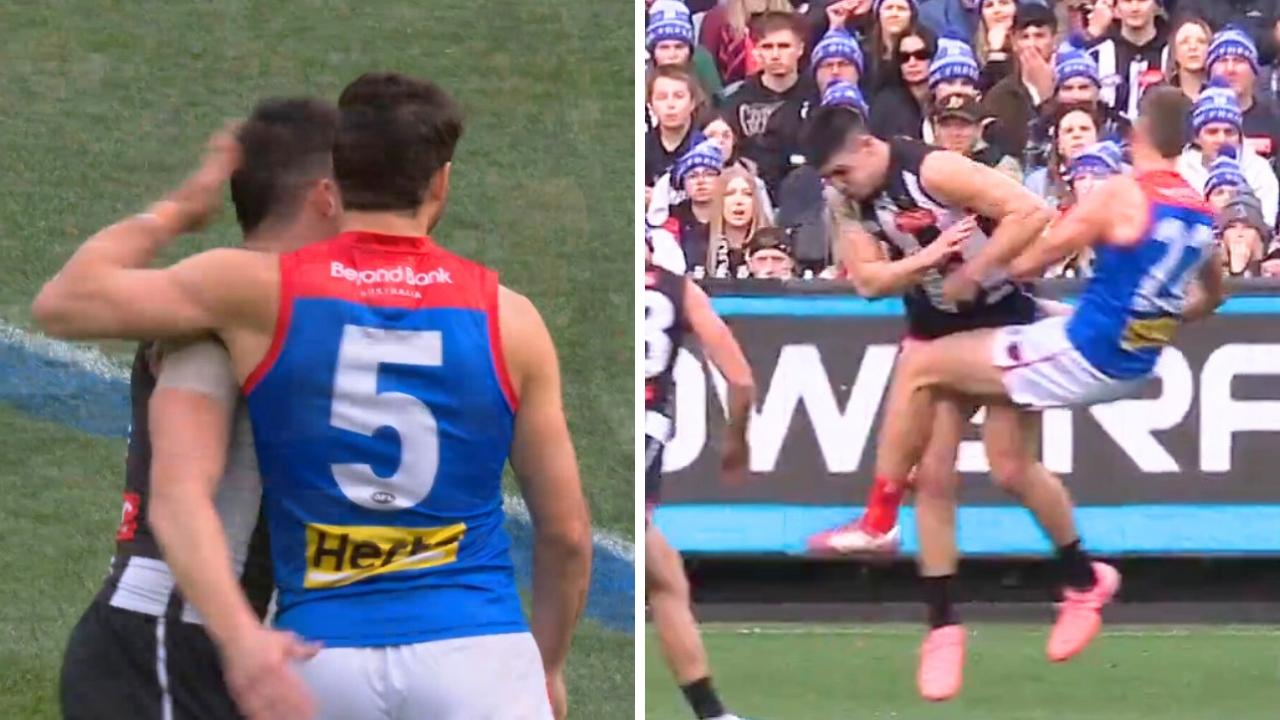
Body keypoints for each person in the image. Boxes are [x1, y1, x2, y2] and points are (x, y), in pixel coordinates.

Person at [33, 72, 592, 720]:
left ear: (341, 184)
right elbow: (568, 533)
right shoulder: (508, 316)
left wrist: (184, 208)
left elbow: (66, 302)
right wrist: (545, 665)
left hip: (317, 652)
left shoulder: (248, 295)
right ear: (440, 183)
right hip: (463, 645)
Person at [856, 85, 1227, 698]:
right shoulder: (1200, 211)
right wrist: (1162, 314)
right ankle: (1081, 581)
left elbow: (1036, 256)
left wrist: (972, 264)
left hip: (1084, 352)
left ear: (1136, 135)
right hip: (1135, 356)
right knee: (1008, 465)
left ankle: (879, 519)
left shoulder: (1119, 192)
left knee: (922, 366)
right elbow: (1213, 294)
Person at [800, 106, 1101, 702]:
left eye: (840, 172)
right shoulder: (848, 201)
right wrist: (933, 259)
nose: (838, 185)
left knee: (1011, 468)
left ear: (866, 146)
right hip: (935, 329)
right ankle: (941, 625)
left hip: (1004, 321)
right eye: (829, 178)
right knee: (934, 475)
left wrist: (978, 267)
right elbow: (868, 281)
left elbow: (1032, 211)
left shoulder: (931, 169)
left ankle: (1082, 578)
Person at [57, 97, 340, 720]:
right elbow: (64, 301)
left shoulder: (278, 307)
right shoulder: (225, 309)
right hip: (171, 645)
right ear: (327, 195)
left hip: (222, 644)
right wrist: (180, 210)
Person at [644, 236, 755, 720]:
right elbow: (742, 380)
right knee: (662, 574)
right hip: (646, 431)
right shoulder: (678, 289)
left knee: (662, 575)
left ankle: (711, 712)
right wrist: (736, 442)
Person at [1176, 77, 1279, 227]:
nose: (1221, 139)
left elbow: (1266, 227)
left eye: (1229, 132)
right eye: (1212, 132)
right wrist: (1210, 210)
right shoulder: (1180, 170)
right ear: (1197, 137)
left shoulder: (1259, 170)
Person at [1206, 26, 1280, 169]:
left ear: (1254, 71)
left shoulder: (1274, 122)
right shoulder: (1191, 122)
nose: (1230, 69)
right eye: (1222, 60)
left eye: (1239, 60)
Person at [1087, 0, 1170, 119]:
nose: (1134, 8)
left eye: (1142, 1)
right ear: (1116, 5)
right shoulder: (1097, 52)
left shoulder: (1172, 50)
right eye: (1127, 1)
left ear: (1156, 4)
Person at [648, 0, 726, 103]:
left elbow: (720, 104)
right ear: (653, 52)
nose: (672, 55)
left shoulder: (702, 61)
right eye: (664, 48)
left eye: (679, 47)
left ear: (690, 50)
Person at [1166, 17, 1212, 101]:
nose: (1193, 47)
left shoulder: (1220, 95)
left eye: (1201, 41)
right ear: (1174, 51)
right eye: (1184, 42)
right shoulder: (1162, 98)